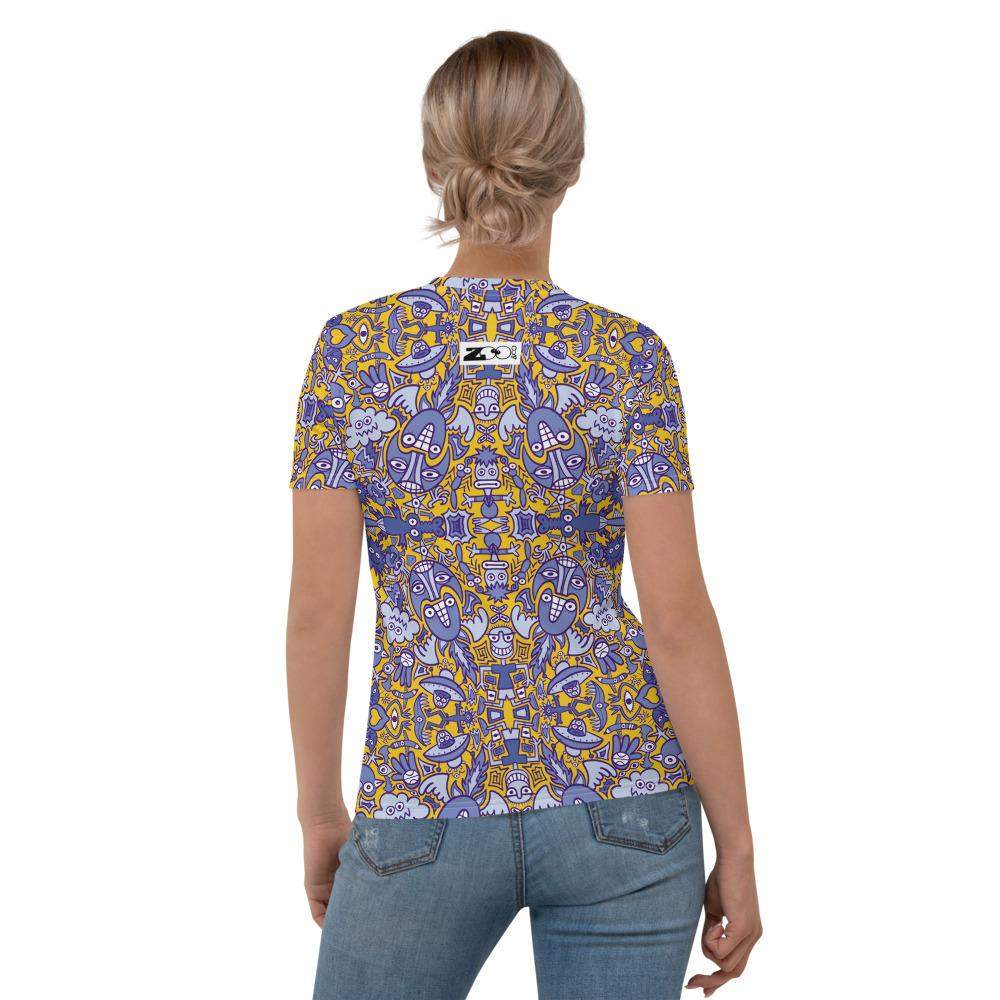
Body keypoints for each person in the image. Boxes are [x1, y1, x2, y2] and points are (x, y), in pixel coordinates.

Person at [287, 30, 761, 1000]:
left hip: (421, 795)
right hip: (626, 802)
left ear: (436, 163)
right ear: (570, 165)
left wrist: (320, 814)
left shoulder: (355, 354)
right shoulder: (626, 358)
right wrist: (739, 841)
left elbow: (318, 616)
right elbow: (676, 619)